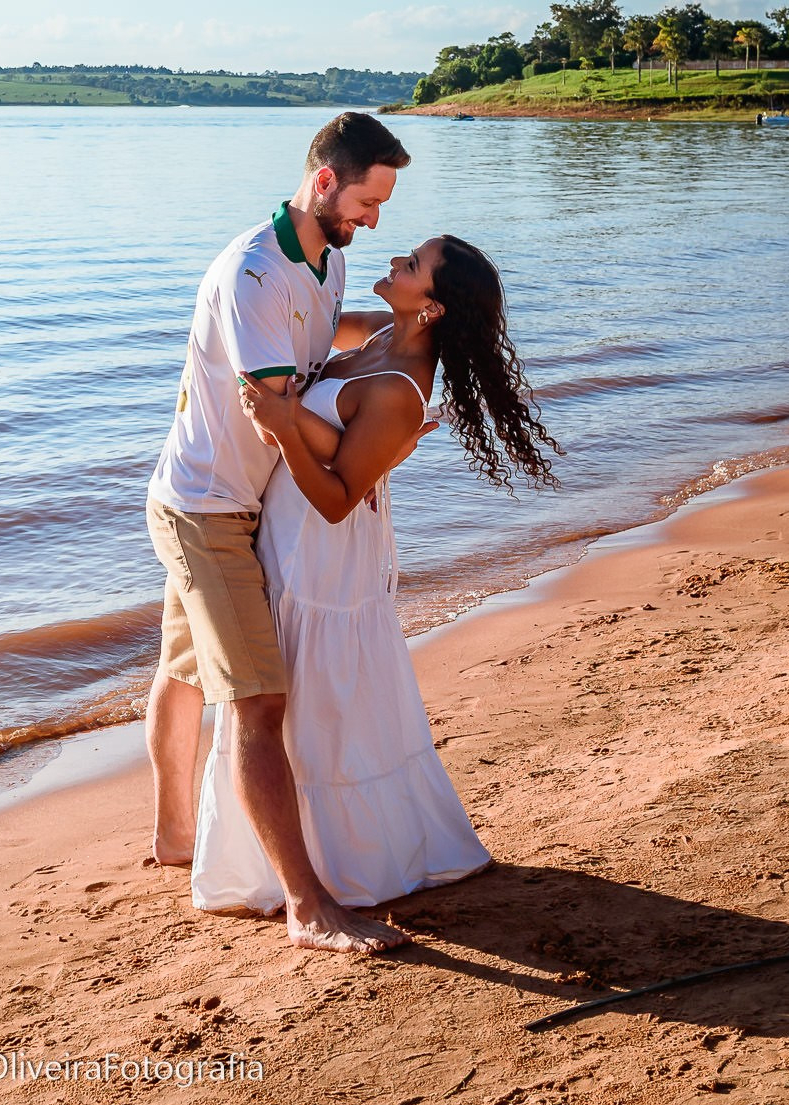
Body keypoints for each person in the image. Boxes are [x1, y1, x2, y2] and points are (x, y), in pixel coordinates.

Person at [192, 235, 560, 921]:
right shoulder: (386, 334)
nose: (394, 261)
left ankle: (341, 863)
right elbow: (305, 332)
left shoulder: (397, 388)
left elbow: (335, 500)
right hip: (292, 533)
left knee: (317, 702)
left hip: (321, 552)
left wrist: (283, 427)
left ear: (435, 308)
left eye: (411, 266)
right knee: (307, 698)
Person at [144, 111, 413, 954]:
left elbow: (319, 348)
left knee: (184, 665)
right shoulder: (256, 272)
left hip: (222, 502)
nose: (374, 221)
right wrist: (371, 455)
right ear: (326, 181)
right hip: (208, 509)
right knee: (260, 701)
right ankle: (304, 903)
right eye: (368, 201)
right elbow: (276, 417)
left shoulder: (326, 260)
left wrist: (418, 337)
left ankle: (174, 837)